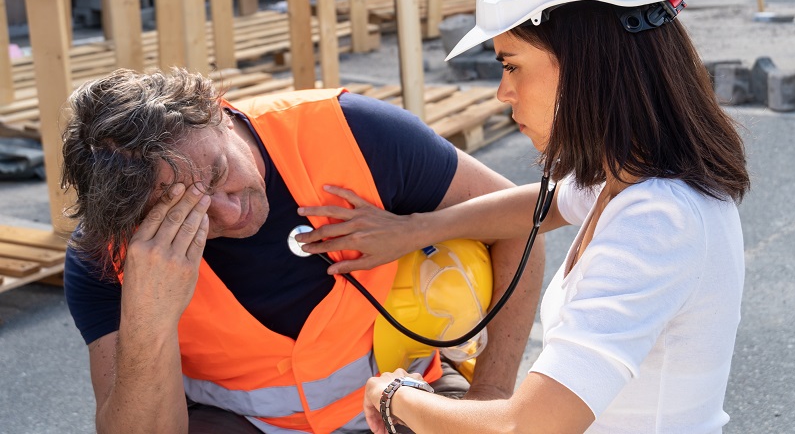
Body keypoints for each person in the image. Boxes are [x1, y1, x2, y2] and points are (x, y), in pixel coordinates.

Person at [294, 0, 750, 433]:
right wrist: (412, 231)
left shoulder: (657, 222)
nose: (502, 93)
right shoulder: (632, 178)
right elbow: (542, 204)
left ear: (586, 63)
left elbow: (529, 427)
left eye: (511, 65)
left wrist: (394, 395)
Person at [60, 68, 545, 434]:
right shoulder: (107, 255)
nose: (230, 214)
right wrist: (149, 319)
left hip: (408, 398)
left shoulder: (352, 132)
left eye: (217, 174)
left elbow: (528, 222)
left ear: (217, 110)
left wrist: (491, 396)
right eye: (188, 214)